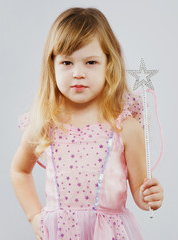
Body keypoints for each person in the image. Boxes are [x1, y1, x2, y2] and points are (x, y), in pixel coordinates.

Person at [10, 7, 164, 240]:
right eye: (67, 63)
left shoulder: (125, 127)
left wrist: (149, 197)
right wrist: (34, 216)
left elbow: (140, 192)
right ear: (52, 65)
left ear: (108, 64)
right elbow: (20, 170)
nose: (78, 73)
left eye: (90, 62)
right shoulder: (45, 123)